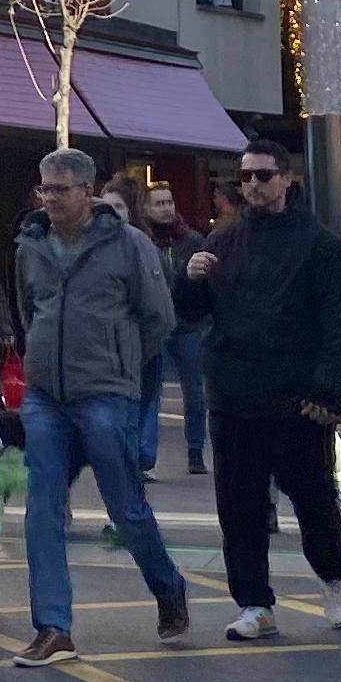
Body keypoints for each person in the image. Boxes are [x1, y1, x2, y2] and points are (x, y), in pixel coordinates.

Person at [6, 148, 186, 666]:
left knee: (124, 507)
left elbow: (158, 319)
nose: (50, 199)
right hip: (45, 397)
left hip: (107, 390)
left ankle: (168, 586)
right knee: (41, 508)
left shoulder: (128, 245)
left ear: (87, 191)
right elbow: (28, 310)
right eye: (45, 188)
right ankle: (53, 628)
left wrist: (120, 363)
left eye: (60, 189)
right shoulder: (30, 246)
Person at [201, 138, 341, 643]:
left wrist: (330, 391)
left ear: (288, 179)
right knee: (239, 505)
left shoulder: (320, 244)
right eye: (244, 177)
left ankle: (334, 580)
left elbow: (339, 323)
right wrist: (188, 279)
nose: (253, 185)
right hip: (234, 395)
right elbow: (189, 311)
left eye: (264, 175)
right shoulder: (223, 241)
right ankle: (254, 604)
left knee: (313, 498)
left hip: (295, 398)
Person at [135, 180, 219, 478]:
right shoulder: (140, 241)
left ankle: (195, 451)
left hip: (188, 327)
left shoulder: (192, 240)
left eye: (169, 202)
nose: (167, 208)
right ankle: (146, 457)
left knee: (195, 392)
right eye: (159, 203)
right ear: (144, 208)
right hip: (155, 328)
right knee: (150, 393)